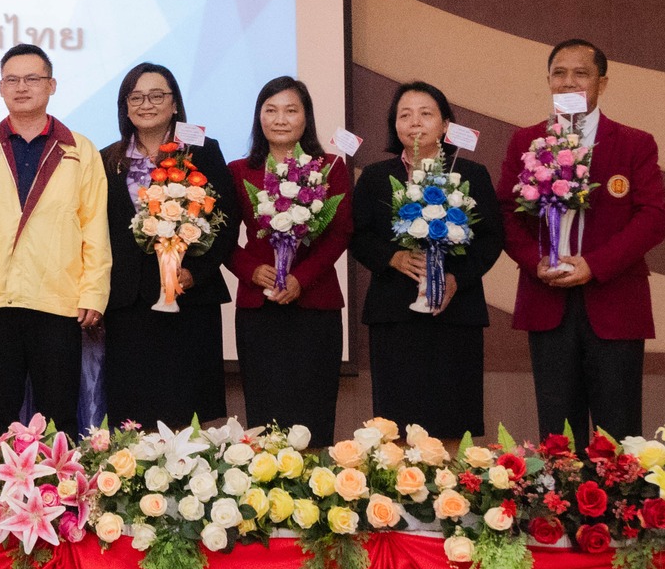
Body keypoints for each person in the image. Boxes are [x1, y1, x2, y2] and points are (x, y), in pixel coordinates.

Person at [499, 39, 665, 441]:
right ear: (548, 81)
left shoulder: (633, 143)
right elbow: (505, 212)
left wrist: (595, 264)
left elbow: (654, 218)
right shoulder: (526, 141)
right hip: (548, 299)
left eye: (581, 73)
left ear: (602, 83)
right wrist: (534, 259)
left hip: (614, 302)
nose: (568, 82)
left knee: (620, 435)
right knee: (558, 438)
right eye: (559, 73)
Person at [0, 44, 110, 437]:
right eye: (12, 79)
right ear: (0, 88)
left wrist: (93, 292)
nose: (22, 87)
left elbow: (94, 227)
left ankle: (64, 496)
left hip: (58, 299)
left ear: (51, 85)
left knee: (60, 419)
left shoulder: (79, 149)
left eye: (32, 78)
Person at [352, 80, 505, 439]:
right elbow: (357, 235)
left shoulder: (472, 174)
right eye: (404, 115)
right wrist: (392, 257)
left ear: (446, 124)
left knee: (453, 424)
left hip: (456, 315)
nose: (415, 122)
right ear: (394, 125)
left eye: (426, 113)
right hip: (394, 315)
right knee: (397, 427)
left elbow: (492, 238)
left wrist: (457, 278)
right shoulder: (376, 177)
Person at [98, 63, 236, 430]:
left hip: (190, 300)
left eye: (157, 95)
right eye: (136, 96)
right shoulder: (106, 159)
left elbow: (227, 220)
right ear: (125, 106)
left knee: (191, 415)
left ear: (174, 103)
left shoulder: (202, 150)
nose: (147, 104)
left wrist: (196, 273)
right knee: (133, 417)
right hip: (128, 306)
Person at [228, 76, 353, 444]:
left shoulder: (330, 167)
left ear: (305, 117)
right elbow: (221, 238)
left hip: (315, 307)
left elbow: (340, 232)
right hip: (258, 309)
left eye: (291, 110)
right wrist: (251, 271)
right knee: (265, 421)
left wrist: (301, 278)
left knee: (313, 419)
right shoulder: (239, 170)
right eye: (271, 110)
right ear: (259, 117)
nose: (280, 119)